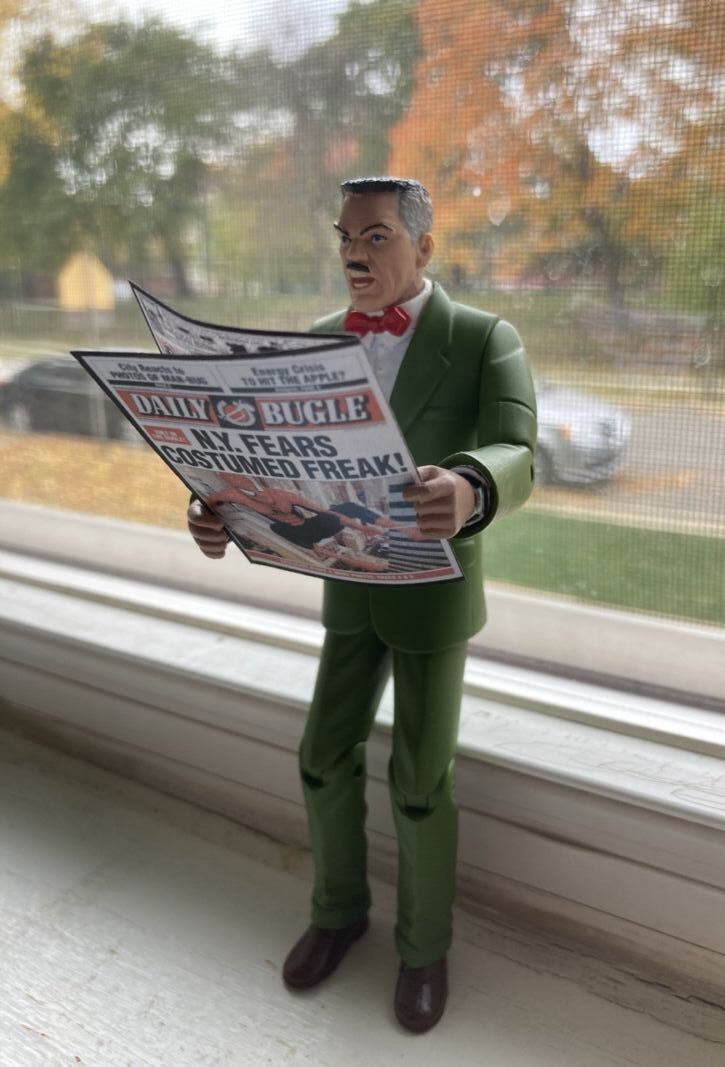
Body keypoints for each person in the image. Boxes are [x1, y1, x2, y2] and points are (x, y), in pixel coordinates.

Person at [187, 176, 536, 1032]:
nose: (354, 251)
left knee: (419, 779)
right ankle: (339, 911)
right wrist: (219, 506)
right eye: (345, 235)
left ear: (424, 245)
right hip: (347, 583)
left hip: (432, 595)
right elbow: (268, 458)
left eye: (376, 235)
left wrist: (472, 484)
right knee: (320, 755)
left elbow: (521, 448)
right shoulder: (315, 341)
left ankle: (424, 946)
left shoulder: (483, 338)